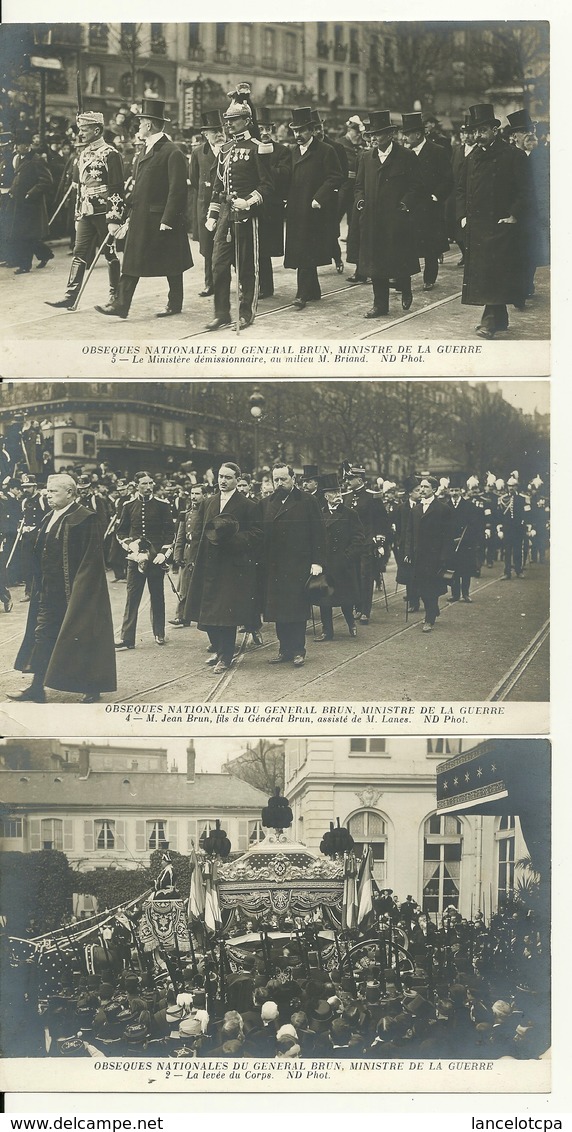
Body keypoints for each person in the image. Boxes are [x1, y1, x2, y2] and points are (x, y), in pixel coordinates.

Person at [11, 473, 116, 703]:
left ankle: (92, 687)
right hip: (48, 590)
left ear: (70, 492)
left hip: (74, 591)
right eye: (47, 491)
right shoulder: (49, 516)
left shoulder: (85, 518)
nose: (48, 496)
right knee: (43, 635)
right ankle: (37, 687)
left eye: (54, 492)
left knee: (82, 635)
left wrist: (82, 590)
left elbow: (92, 560)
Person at [95, 99, 192, 320]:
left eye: (140, 122)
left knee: (172, 263)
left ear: (149, 124)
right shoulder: (144, 151)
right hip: (140, 217)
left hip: (160, 218)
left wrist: (168, 219)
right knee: (132, 261)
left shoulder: (172, 151)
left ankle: (175, 302)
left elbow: (177, 190)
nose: (138, 127)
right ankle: (121, 304)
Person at [456, 103, 534, 339]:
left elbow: (526, 191)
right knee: (488, 274)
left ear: (494, 129)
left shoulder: (513, 156)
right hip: (477, 226)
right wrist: (462, 216)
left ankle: (490, 321)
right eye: (475, 131)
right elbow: (460, 188)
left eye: (482, 130)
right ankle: (499, 319)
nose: (477, 136)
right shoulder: (473, 158)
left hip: (501, 225)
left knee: (495, 274)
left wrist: (514, 215)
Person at [205, 85, 272, 331]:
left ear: (246, 120)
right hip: (225, 216)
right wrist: (212, 214)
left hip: (247, 215)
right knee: (218, 265)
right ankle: (222, 313)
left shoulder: (258, 148)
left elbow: (267, 186)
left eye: (234, 120)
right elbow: (217, 184)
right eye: (227, 121)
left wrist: (250, 201)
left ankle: (246, 313)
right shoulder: (224, 150)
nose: (229, 125)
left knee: (246, 267)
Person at [186, 463, 262, 673]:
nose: (223, 481)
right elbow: (200, 533)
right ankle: (219, 650)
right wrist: (193, 559)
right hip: (209, 565)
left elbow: (256, 534)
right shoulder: (209, 503)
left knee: (226, 613)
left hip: (232, 566)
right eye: (220, 476)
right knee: (209, 612)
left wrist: (233, 539)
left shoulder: (248, 505)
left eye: (228, 477)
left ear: (238, 479)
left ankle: (225, 657)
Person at [46, 111, 124, 309]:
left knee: (109, 253)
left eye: (84, 129)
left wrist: (114, 216)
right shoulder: (83, 154)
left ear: (96, 130)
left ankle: (115, 295)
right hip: (85, 212)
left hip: (104, 212)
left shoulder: (111, 154)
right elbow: (80, 187)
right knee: (79, 252)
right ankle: (70, 295)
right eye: (80, 129)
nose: (80, 133)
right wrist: (77, 213)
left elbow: (116, 187)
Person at [354, 110, 424, 317]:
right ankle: (380, 305)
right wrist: (360, 202)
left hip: (397, 219)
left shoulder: (406, 156)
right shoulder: (366, 158)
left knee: (399, 260)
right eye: (371, 134)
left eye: (378, 134)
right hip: (373, 219)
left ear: (390, 135)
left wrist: (404, 205)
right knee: (376, 264)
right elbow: (358, 186)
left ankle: (406, 287)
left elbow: (415, 186)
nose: (373, 138)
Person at [261, 462, 325, 666]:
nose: (279, 483)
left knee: (296, 610)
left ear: (293, 479)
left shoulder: (307, 501)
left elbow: (319, 533)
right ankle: (284, 649)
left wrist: (318, 561)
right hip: (274, 566)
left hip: (298, 564)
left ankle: (298, 650)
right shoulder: (267, 503)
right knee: (279, 610)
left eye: (283, 479)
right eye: (276, 479)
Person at [283, 106, 344, 310]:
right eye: (295, 131)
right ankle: (314, 289)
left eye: (301, 130)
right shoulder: (292, 152)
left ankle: (302, 294)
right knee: (303, 250)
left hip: (314, 210)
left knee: (305, 251)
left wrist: (319, 197)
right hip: (295, 209)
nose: (297, 135)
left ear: (311, 130)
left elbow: (336, 176)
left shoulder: (325, 151)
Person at [114, 471, 175, 649]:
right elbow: (121, 532)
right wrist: (130, 546)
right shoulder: (128, 505)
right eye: (144, 484)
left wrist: (164, 553)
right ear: (136, 486)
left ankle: (159, 633)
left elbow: (170, 532)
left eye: (150, 483)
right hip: (135, 559)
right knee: (132, 596)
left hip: (156, 558)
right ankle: (127, 638)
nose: (148, 487)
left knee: (157, 596)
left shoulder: (162, 506)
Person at [401, 111, 453, 291]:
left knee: (430, 245)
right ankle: (403, 278)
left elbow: (448, 179)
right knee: (407, 242)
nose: (404, 137)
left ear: (418, 134)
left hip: (430, 205)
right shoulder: (404, 153)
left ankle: (429, 277)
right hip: (410, 204)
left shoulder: (437, 151)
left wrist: (436, 196)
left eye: (407, 134)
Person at [314, 473, 365, 641]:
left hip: (343, 563)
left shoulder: (350, 513)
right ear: (325, 495)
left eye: (339, 492)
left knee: (346, 598)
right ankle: (327, 631)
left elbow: (359, 538)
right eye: (333, 493)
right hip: (325, 563)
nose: (337, 496)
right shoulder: (319, 514)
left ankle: (351, 623)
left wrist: (347, 557)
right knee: (324, 599)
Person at [403, 473, 451, 633]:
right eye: (421, 487)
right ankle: (433, 608)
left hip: (434, 556)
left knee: (431, 587)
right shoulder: (416, 509)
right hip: (418, 555)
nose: (422, 490)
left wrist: (444, 556)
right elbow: (409, 532)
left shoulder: (442, 509)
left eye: (426, 487)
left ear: (434, 489)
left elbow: (447, 535)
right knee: (420, 587)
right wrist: (408, 552)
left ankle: (429, 619)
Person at [342, 465, 391, 624]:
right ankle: (357, 606)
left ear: (360, 479)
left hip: (367, 542)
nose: (348, 481)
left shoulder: (372, 497)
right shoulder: (347, 497)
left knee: (365, 575)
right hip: (352, 543)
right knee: (353, 575)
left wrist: (379, 537)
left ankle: (365, 610)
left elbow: (382, 519)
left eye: (351, 478)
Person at [255, 107, 291, 299]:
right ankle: (250, 284)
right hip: (252, 204)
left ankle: (265, 287)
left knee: (264, 249)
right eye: (260, 129)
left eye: (267, 128)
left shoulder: (282, 151)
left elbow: (284, 176)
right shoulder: (251, 148)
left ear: (273, 129)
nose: (264, 133)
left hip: (270, 207)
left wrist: (265, 165)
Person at [189, 110, 225, 298]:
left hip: (226, 205)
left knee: (228, 246)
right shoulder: (198, 153)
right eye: (214, 131)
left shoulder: (230, 149)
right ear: (205, 134)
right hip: (205, 206)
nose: (219, 134)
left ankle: (240, 283)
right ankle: (209, 284)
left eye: (220, 130)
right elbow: (194, 180)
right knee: (208, 248)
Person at [8, 129, 53, 274]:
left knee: (25, 235)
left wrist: (30, 193)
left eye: (19, 144)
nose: (16, 147)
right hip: (20, 203)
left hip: (31, 204)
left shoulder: (36, 159)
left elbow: (46, 181)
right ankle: (45, 254)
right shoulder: (19, 158)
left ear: (27, 146)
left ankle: (24, 265)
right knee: (27, 235)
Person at [169, 483, 207, 627]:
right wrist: (177, 556)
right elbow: (180, 537)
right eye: (192, 494)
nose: (194, 497)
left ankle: (201, 616)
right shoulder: (187, 514)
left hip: (201, 553)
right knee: (184, 586)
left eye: (197, 494)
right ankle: (182, 616)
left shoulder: (208, 513)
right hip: (188, 553)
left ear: (204, 495)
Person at [444, 478, 480, 604]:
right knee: (453, 569)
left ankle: (465, 593)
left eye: (456, 490)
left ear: (461, 491)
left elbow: (474, 525)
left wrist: (464, 539)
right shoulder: (445, 507)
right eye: (452, 490)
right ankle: (455, 594)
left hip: (465, 544)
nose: (454, 493)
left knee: (465, 569)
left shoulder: (469, 506)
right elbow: (443, 527)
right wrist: (450, 539)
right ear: (448, 491)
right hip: (451, 543)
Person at [498, 476, 526, 580]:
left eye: (513, 486)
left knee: (518, 550)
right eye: (509, 486)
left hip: (518, 528)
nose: (511, 488)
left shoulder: (522, 498)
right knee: (507, 551)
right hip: (507, 528)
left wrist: (527, 527)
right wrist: (500, 528)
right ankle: (507, 572)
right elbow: (500, 515)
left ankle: (519, 571)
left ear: (517, 487)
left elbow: (526, 514)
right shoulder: (503, 499)